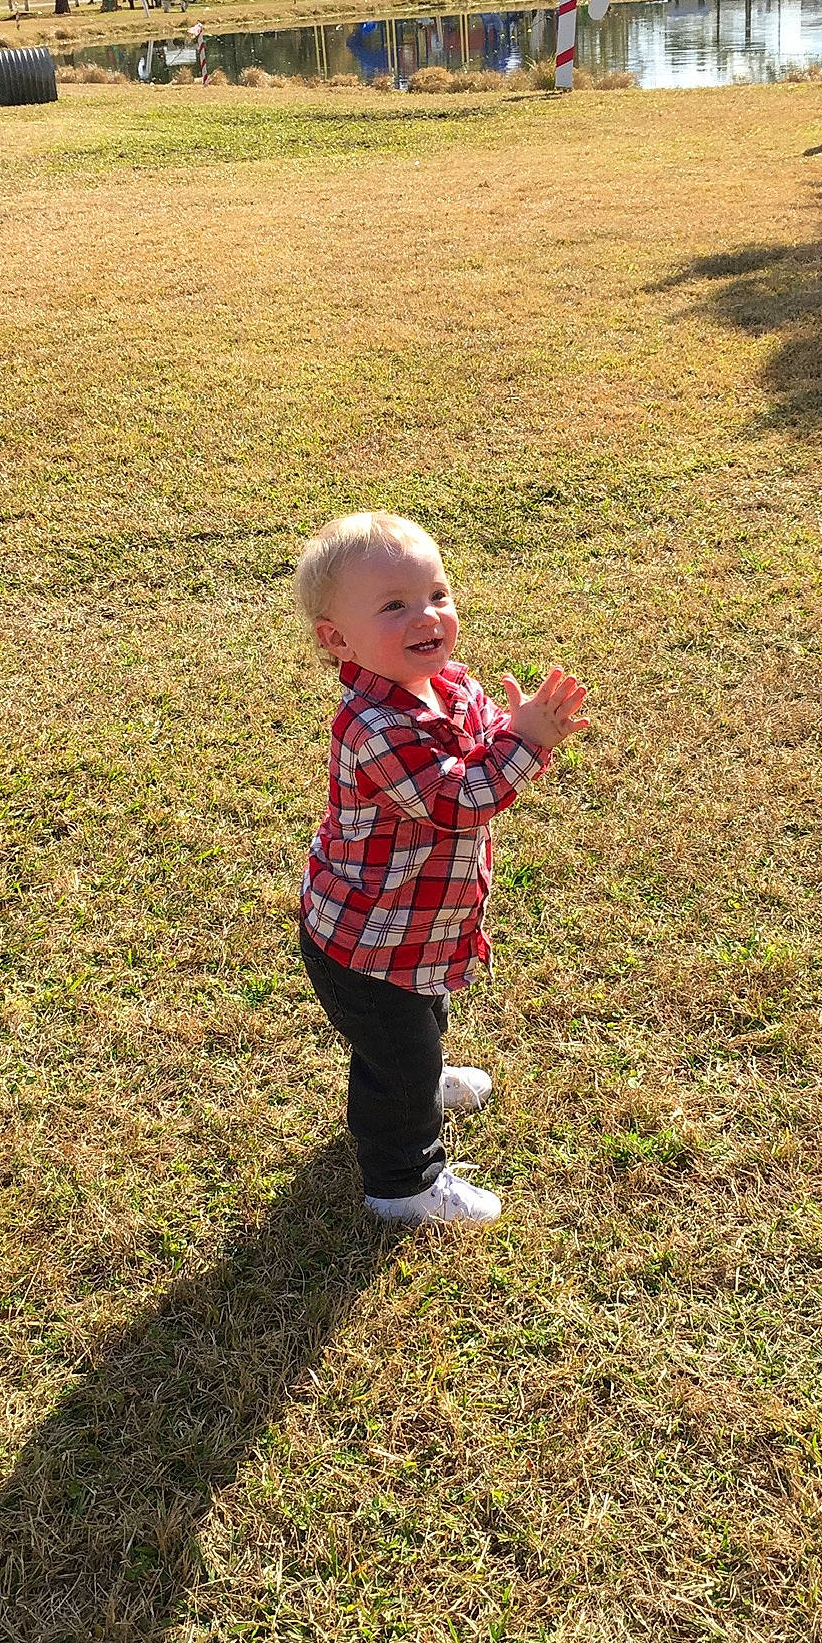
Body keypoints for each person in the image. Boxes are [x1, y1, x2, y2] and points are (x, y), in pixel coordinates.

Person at [295, 512, 588, 1229]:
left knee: (423, 1020)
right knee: (392, 1062)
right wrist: (529, 744)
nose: (427, 616)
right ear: (336, 639)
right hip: (365, 941)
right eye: (393, 606)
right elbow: (459, 799)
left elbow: (482, 729)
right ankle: (401, 1185)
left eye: (437, 594)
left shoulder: (444, 680)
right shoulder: (373, 726)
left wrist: (511, 729)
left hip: (412, 930)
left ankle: (420, 1073)